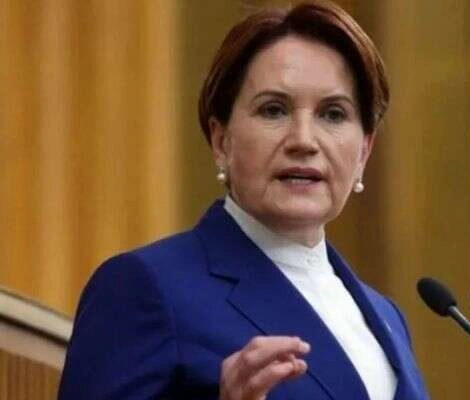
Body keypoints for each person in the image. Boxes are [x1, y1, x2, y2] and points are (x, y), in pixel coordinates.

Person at [58, 1, 429, 399]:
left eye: (333, 114)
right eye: (274, 110)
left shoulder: (387, 318)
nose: (304, 140)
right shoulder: (144, 287)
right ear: (221, 142)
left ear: (363, 153)